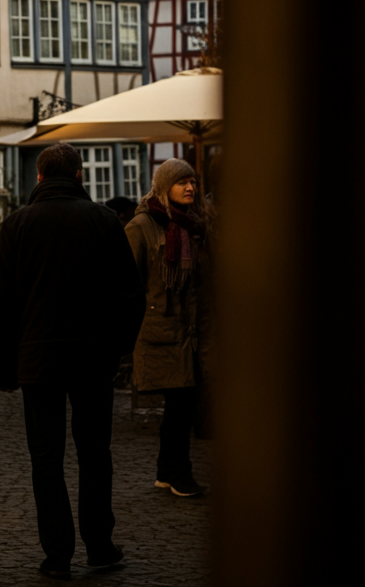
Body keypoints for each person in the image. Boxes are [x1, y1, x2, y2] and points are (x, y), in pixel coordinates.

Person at [0, 143, 146, 579]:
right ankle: (99, 547)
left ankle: (57, 554)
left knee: (46, 457)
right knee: (95, 453)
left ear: (39, 177)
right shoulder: (103, 222)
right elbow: (131, 296)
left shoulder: (17, 225)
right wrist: (117, 349)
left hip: (38, 359)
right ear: (80, 176)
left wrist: (3, 364)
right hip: (93, 358)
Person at [125, 158, 212, 497]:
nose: (190, 187)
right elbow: (126, 282)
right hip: (161, 332)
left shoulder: (198, 225)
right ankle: (179, 473)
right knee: (180, 406)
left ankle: (167, 470)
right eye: (181, 182)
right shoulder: (142, 226)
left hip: (193, 333)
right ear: (164, 186)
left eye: (192, 181)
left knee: (184, 406)